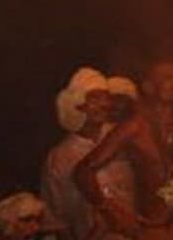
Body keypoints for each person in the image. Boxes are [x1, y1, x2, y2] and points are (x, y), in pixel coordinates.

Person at [74, 59, 173, 240]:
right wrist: (109, 211)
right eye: (168, 78)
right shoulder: (135, 127)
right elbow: (82, 171)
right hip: (154, 232)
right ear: (148, 87)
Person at [41, 67, 136, 240]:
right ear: (79, 104)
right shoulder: (60, 157)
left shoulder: (125, 138)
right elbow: (57, 221)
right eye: (94, 98)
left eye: (106, 97)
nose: (104, 104)